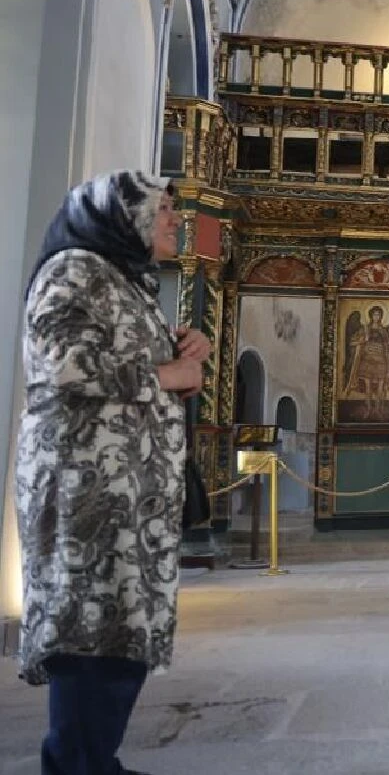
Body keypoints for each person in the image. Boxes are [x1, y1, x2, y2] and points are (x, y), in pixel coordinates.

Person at [15, 170, 210, 774]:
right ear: (121, 217)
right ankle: (74, 764)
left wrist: (184, 353)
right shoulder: (73, 270)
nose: (176, 219)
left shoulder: (124, 280)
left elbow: (126, 368)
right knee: (89, 632)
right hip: (85, 491)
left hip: (126, 495)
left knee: (121, 632)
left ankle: (95, 761)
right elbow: (61, 364)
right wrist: (169, 376)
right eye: (163, 210)